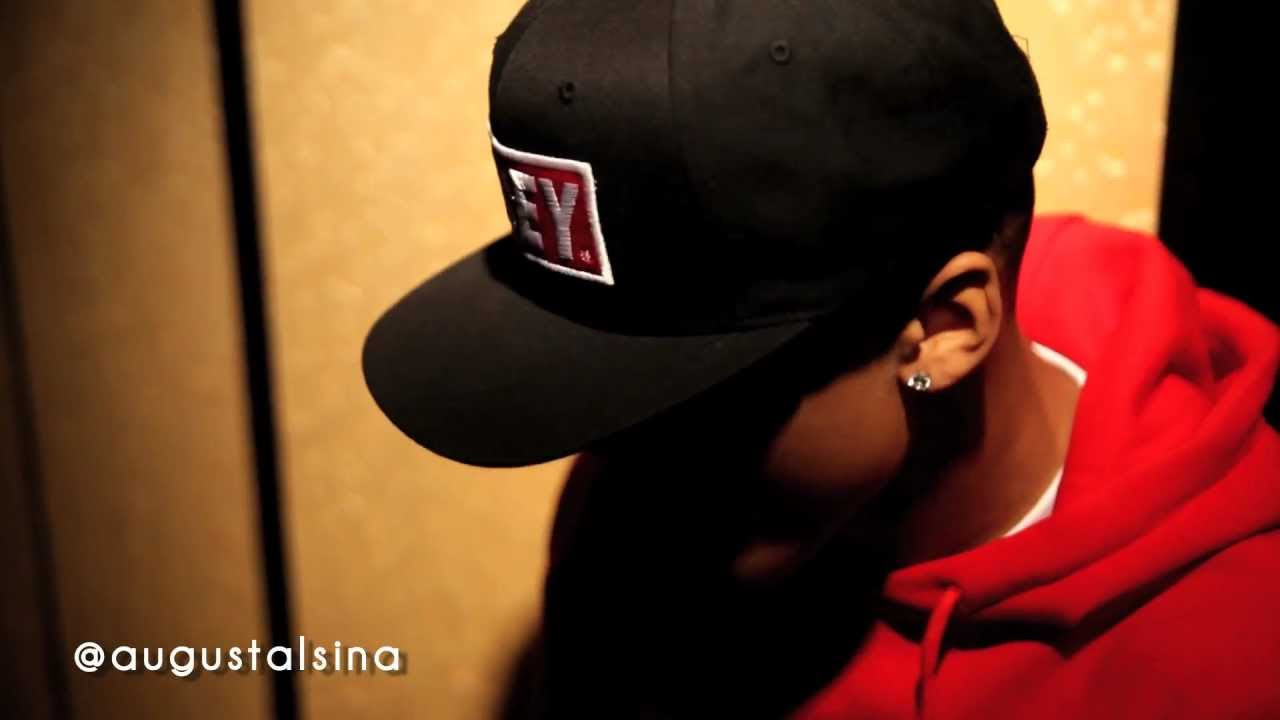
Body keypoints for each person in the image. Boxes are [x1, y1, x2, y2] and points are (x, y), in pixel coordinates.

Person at [362, 1, 1280, 718]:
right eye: (597, 383)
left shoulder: (1225, 666)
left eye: (701, 401)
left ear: (945, 328)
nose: (618, 454)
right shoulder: (647, 524)